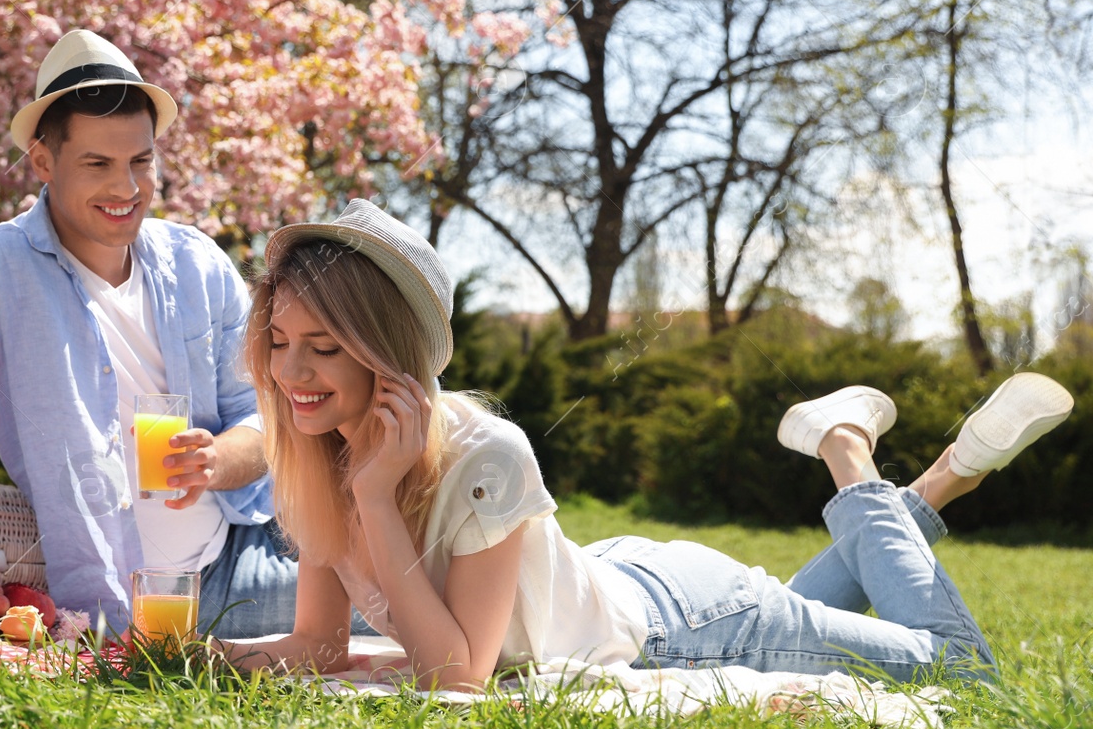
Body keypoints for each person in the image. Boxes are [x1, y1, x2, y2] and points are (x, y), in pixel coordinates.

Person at [217, 198, 1076, 689]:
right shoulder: (313, 449)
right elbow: (322, 645)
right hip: (625, 584)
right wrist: (190, 655)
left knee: (962, 669)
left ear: (386, 353)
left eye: (325, 348)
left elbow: (457, 679)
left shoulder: (486, 454)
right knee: (836, 616)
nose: (294, 371)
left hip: (691, 627)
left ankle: (848, 451)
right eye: (281, 340)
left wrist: (377, 498)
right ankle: (934, 486)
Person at [0, 30, 297, 635]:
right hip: (110, 604)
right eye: (97, 164)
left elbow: (263, 412)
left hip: (238, 560)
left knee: (416, 565)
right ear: (43, 161)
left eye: (140, 162)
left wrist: (218, 459)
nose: (126, 189)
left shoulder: (197, 264)